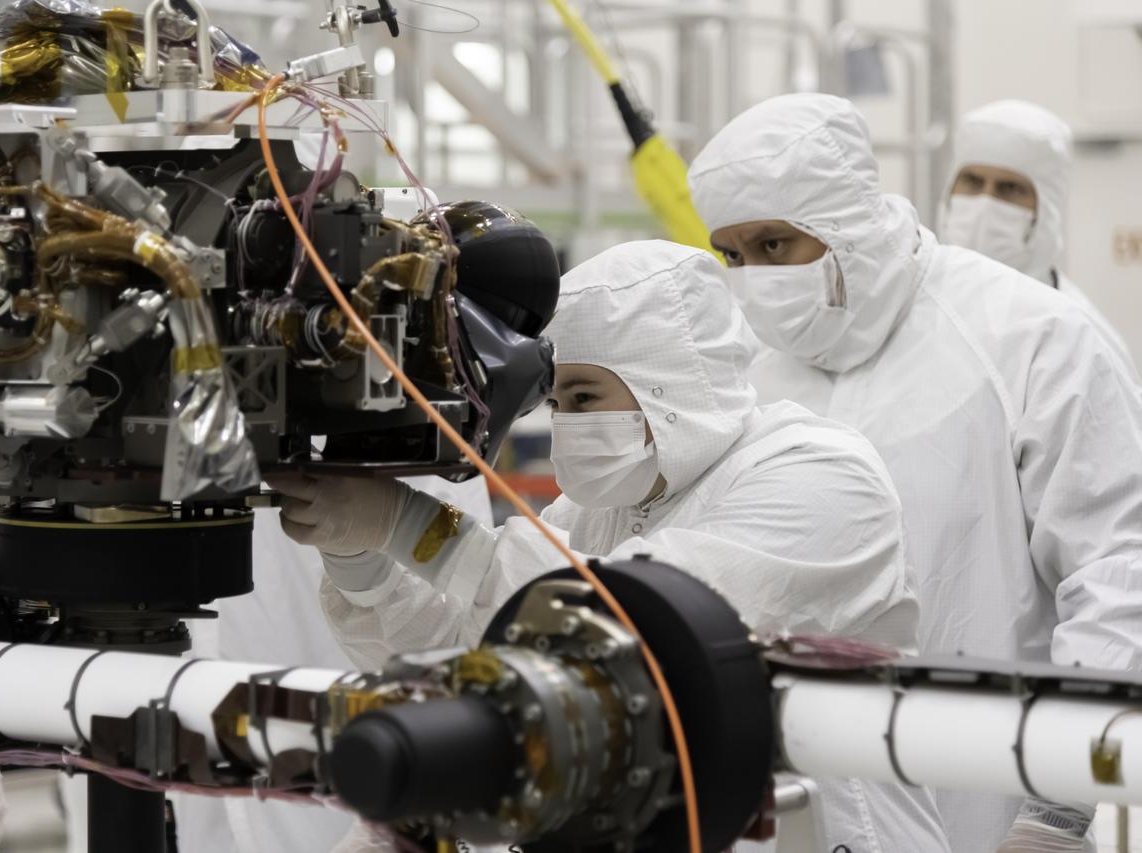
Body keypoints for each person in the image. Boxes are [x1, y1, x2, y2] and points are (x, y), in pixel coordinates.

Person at [274, 240, 950, 852]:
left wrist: (407, 524)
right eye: (558, 400)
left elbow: (633, 624)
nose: (566, 422)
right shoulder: (608, 510)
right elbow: (472, 649)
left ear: (669, 380)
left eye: (585, 393)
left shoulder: (818, 473)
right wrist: (357, 552)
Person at [687, 92, 1142, 853]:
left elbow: (1117, 571)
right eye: (731, 255)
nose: (755, 279)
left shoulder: (1033, 337)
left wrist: (1061, 803)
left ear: (844, 226)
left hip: (993, 812)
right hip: (799, 812)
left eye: (774, 245)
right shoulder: (756, 375)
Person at [170, 479, 493, 853]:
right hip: (207, 769)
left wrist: (402, 523)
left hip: (353, 779)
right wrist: (369, 565)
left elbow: (469, 639)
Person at [937, 98, 1129, 357]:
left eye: (1010, 188)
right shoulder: (914, 311)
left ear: (1046, 210)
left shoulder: (1082, 340)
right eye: (972, 181)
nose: (986, 203)